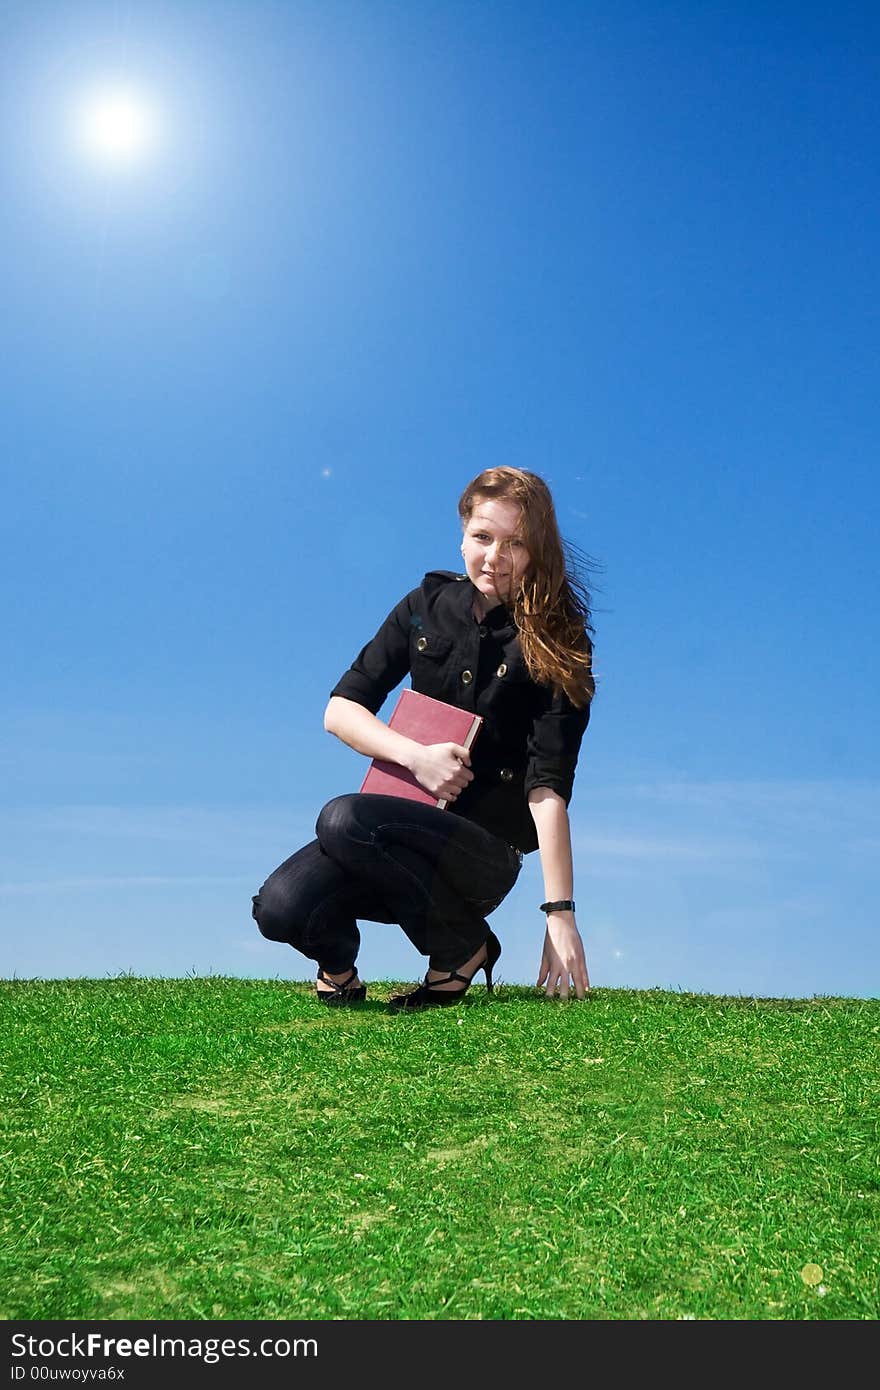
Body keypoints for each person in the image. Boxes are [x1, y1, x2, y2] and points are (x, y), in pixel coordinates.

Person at [252, 466, 596, 1010]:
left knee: (343, 818)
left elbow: (547, 788)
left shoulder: (558, 639)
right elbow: (340, 710)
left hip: (482, 854)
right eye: (482, 538)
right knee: (279, 906)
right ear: (462, 533)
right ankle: (340, 970)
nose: (494, 558)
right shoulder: (422, 606)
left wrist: (560, 914)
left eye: (515, 544)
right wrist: (416, 758)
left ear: (538, 551)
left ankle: (461, 948)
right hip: (390, 834)